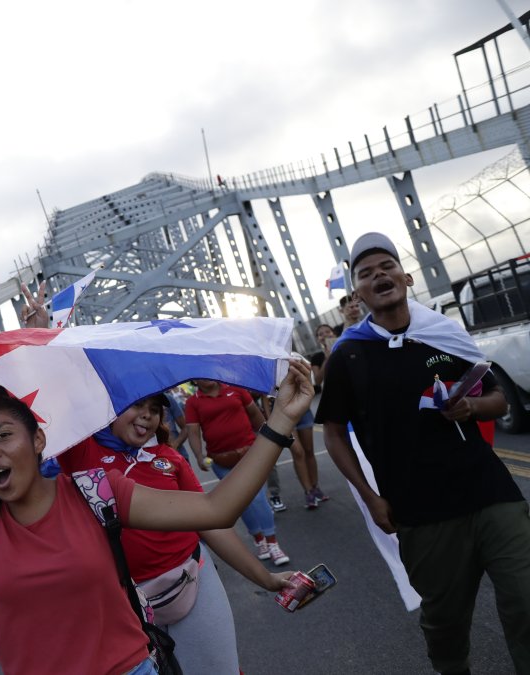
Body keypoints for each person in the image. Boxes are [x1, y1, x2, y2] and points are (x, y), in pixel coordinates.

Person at [0, 343, 314, 675]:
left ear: (38, 441)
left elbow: (218, 507)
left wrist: (281, 419)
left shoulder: (97, 492)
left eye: (3, 437)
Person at [318, 232, 530, 675]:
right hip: (421, 512)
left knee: (526, 598)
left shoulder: (442, 333)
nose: (379, 275)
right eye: (366, 273)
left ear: (406, 277)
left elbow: (498, 399)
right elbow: (334, 433)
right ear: (356, 293)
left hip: (490, 492)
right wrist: (370, 496)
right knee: (446, 623)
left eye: (387, 266)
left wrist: (470, 406)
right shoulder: (349, 355)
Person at [57, 393, 294, 674]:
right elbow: (62, 405)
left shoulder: (170, 458)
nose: (147, 414)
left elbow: (213, 522)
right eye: (136, 405)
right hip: (124, 603)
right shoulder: (81, 453)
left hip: (192, 579)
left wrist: (266, 578)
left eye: (154, 409)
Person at [185, 379, 291, 565]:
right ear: (194, 379)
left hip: (251, 455)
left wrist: (272, 438)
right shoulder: (193, 402)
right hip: (222, 461)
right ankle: (259, 540)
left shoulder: (236, 388)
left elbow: (255, 414)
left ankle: (273, 542)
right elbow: (193, 432)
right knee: (241, 504)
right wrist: (199, 456)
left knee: (258, 498)